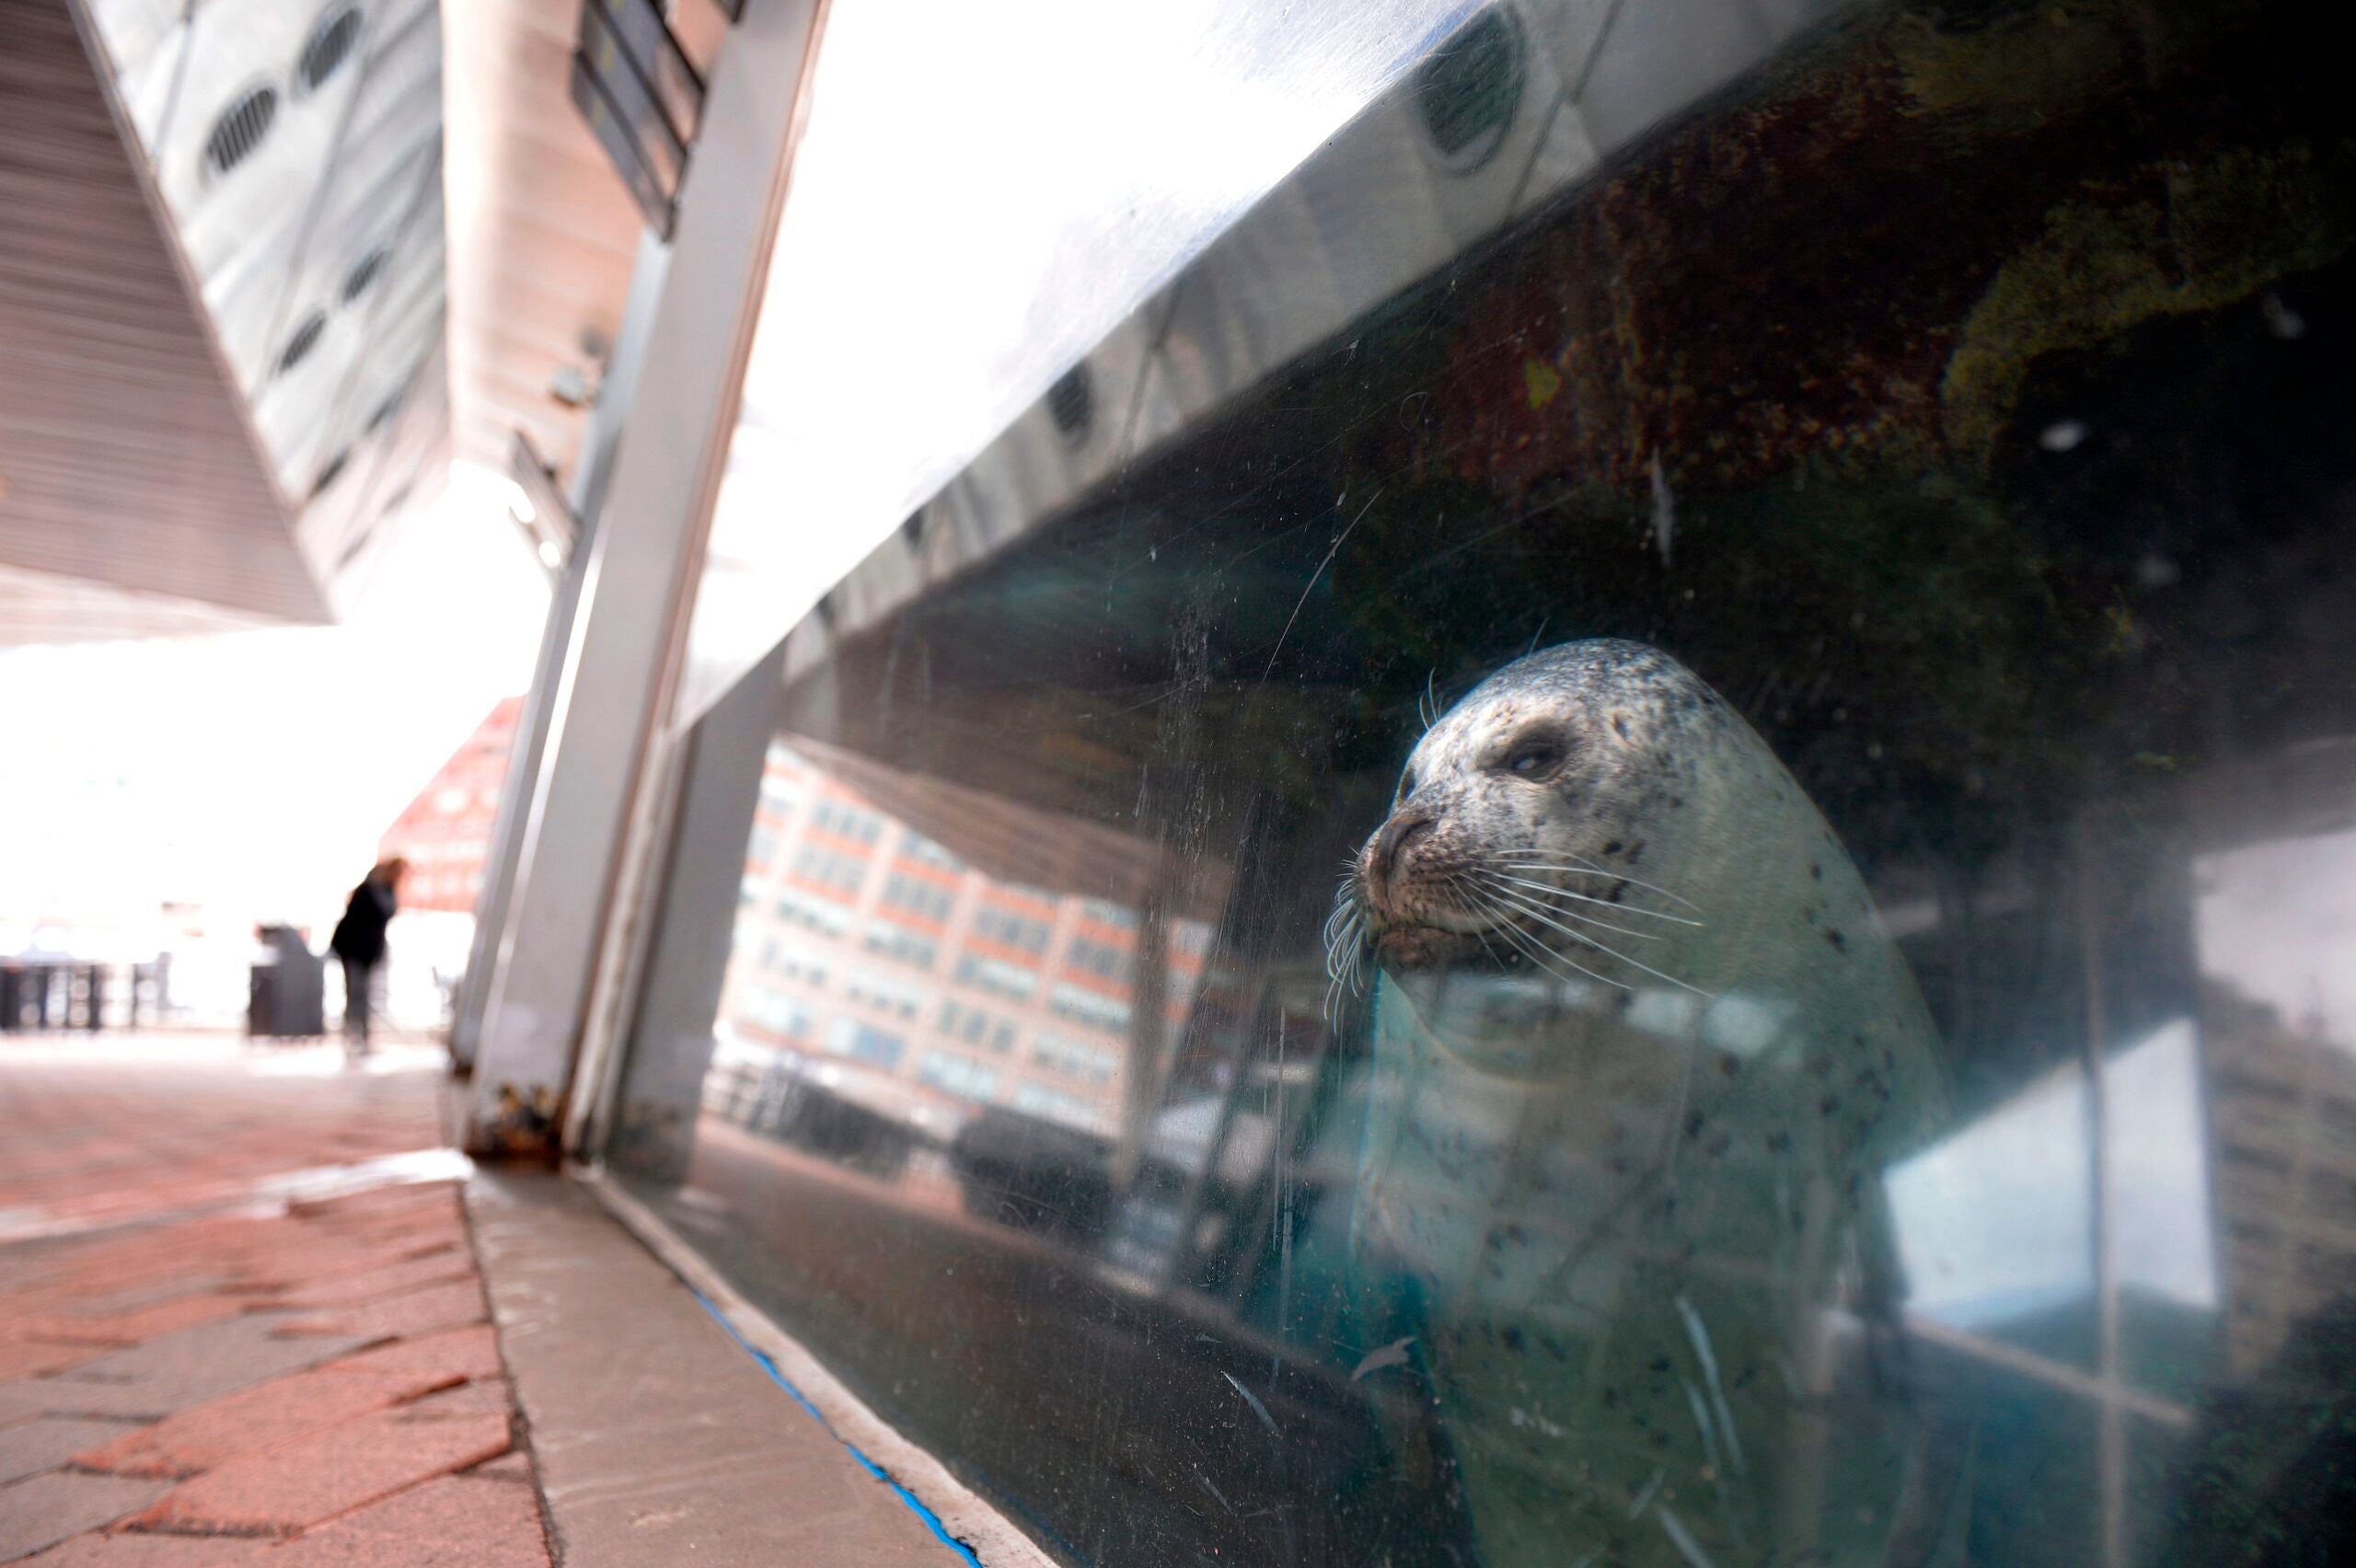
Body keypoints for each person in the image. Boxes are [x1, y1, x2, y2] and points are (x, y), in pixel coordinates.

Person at [328, 857, 406, 1053]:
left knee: (363, 993)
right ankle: (353, 1035)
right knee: (355, 992)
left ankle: (361, 1035)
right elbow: (355, 923)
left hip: (369, 952)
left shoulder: (386, 891)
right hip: (354, 950)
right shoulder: (369, 890)